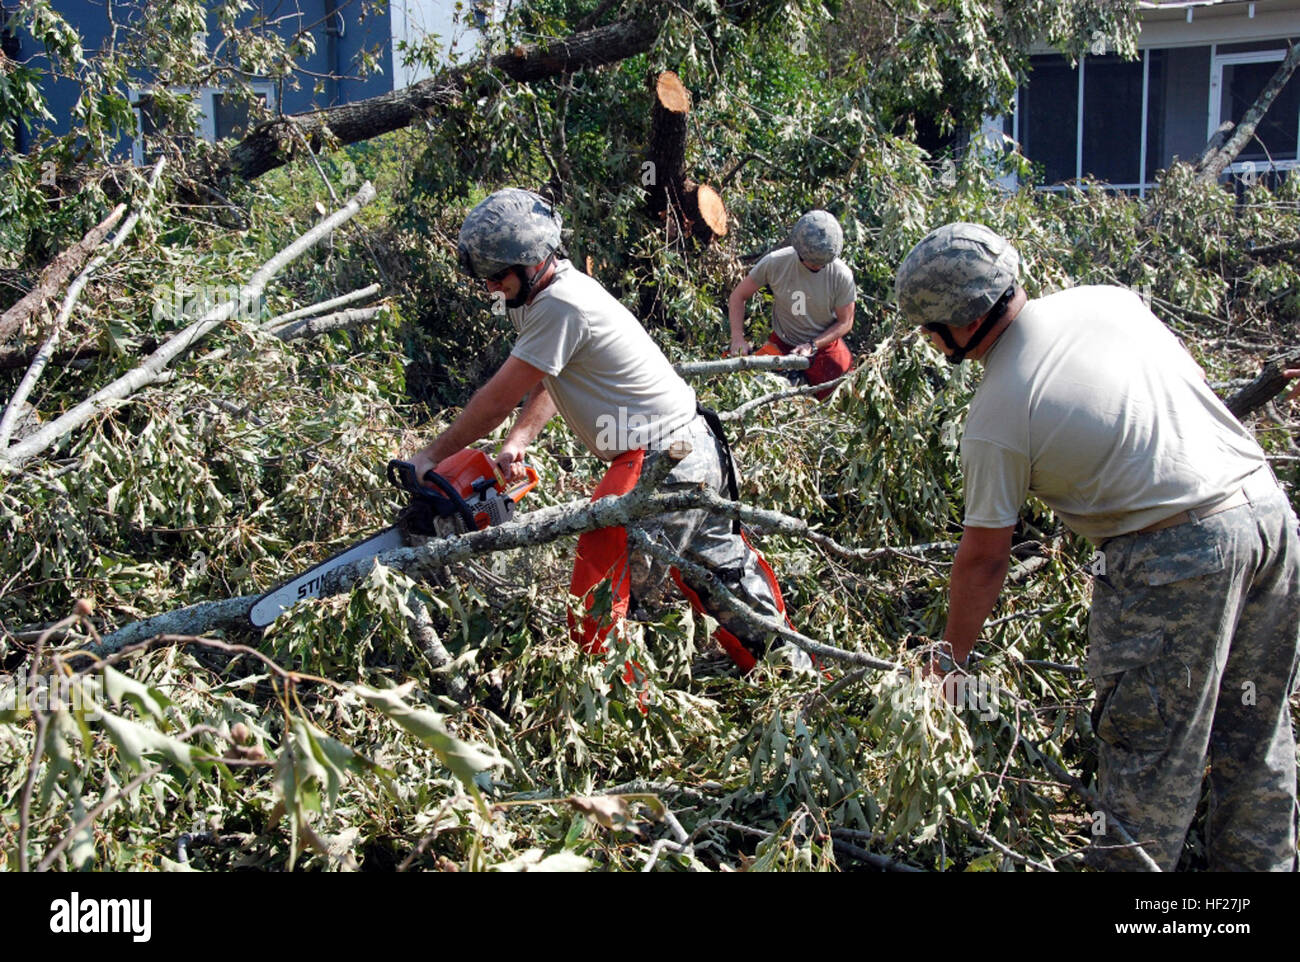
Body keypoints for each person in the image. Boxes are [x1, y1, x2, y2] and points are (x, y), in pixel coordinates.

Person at [893, 222, 1300, 872]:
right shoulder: (1107, 300)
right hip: (1269, 516)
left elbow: (985, 560)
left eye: (926, 326)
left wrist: (950, 660)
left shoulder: (997, 412)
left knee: (1149, 761)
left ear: (955, 326)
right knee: (1255, 733)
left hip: (1179, 558)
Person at [409, 187, 803, 675]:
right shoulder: (552, 296)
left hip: (658, 460)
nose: (490, 287)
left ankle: (611, 708)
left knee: (601, 594)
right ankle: (789, 672)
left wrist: (430, 455)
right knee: (723, 574)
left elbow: (496, 399)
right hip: (693, 444)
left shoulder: (560, 305)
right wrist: (519, 440)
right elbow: (553, 375)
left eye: (497, 277)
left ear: (532, 263)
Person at [727, 210, 856, 401]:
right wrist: (737, 338)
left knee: (842, 397)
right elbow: (738, 296)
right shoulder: (775, 262)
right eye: (812, 262)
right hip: (782, 343)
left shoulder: (841, 275)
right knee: (762, 395)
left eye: (822, 263)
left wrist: (813, 345)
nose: (817, 266)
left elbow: (846, 322)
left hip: (825, 347)